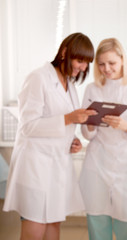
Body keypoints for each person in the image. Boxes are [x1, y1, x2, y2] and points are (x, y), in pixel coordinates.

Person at [3, 32, 97, 240]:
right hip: (35, 165)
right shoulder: (38, 78)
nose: (82, 68)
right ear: (65, 53)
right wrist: (68, 118)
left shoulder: (69, 85)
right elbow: (28, 126)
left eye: (86, 63)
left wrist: (71, 141)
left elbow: (60, 125)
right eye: (80, 60)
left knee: (54, 223)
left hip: (57, 165)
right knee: (35, 226)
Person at [79, 38, 127, 240]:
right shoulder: (92, 89)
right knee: (97, 224)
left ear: (122, 60)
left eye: (111, 63)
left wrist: (126, 126)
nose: (107, 69)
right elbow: (87, 134)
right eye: (101, 64)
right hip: (97, 164)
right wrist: (90, 123)